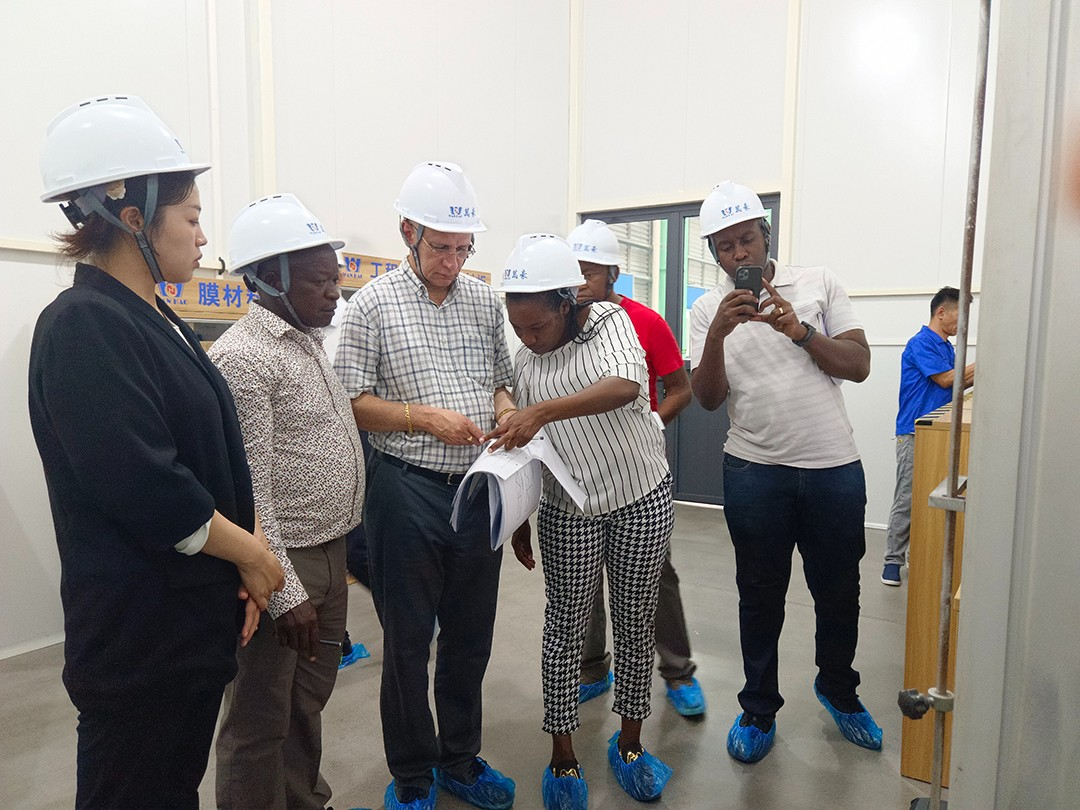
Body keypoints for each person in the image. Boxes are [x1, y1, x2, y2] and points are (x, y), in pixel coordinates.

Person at [28, 94, 283, 809]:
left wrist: (241, 561)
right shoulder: (82, 324)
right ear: (133, 218)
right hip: (141, 646)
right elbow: (146, 485)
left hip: (185, 635)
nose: (203, 237)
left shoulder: (153, 316)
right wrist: (252, 554)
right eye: (192, 218)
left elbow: (208, 455)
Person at [333, 161, 516, 810]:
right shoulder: (371, 306)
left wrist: (505, 410)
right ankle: (412, 774)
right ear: (408, 231)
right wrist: (422, 418)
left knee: (470, 635)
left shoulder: (484, 304)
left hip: (478, 488)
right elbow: (352, 402)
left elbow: (501, 381)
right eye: (441, 247)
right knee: (409, 642)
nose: (453, 262)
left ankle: (460, 760)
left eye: (464, 249)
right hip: (405, 488)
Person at [688, 180, 881, 764]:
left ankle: (838, 689)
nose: (738, 254)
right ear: (714, 253)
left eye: (746, 239)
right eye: (724, 247)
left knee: (839, 591)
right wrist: (718, 334)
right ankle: (758, 707)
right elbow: (708, 399)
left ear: (765, 235)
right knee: (759, 594)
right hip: (755, 471)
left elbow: (859, 365)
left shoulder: (818, 282)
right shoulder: (705, 310)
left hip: (832, 467)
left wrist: (800, 331)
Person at [491, 234, 675, 809]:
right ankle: (563, 754)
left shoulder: (611, 323)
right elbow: (530, 446)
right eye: (518, 327)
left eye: (537, 326)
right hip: (568, 508)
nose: (528, 338)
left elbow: (626, 386)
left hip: (639, 496)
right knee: (565, 626)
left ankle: (630, 744)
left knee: (635, 621)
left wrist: (540, 411)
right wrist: (521, 515)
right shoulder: (525, 361)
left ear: (568, 303)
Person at [209, 194, 366, 810]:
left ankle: (303, 801)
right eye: (319, 281)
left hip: (329, 552)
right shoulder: (243, 358)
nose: (334, 293)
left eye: (335, 279)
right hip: (280, 564)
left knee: (307, 701)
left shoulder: (306, 341)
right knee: (259, 716)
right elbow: (251, 488)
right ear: (268, 278)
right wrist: (285, 593)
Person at [568, 219, 705, 717]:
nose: (580, 282)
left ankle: (677, 670)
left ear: (614, 273)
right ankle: (592, 668)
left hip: (638, 475)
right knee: (583, 576)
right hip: (579, 474)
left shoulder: (646, 322)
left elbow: (681, 389)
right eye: (573, 272)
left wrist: (651, 422)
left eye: (590, 272)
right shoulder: (559, 326)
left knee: (655, 574)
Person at [882, 286, 975, 586]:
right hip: (914, 433)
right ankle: (892, 561)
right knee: (908, 498)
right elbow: (947, 380)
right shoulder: (921, 343)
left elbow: (956, 385)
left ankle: (917, 556)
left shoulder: (947, 348)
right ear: (941, 312)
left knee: (932, 499)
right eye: (961, 315)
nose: (964, 323)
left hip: (938, 434)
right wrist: (989, 359)